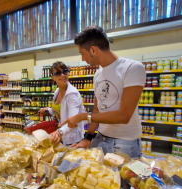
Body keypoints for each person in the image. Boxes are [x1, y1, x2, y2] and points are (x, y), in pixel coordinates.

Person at [59, 26, 146, 158]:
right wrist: (88, 137)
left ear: (93, 50)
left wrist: (83, 116)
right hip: (100, 138)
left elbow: (124, 116)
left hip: (124, 143)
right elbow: (97, 110)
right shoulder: (98, 74)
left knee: (122, 179)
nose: (82, 59)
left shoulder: (132, 68)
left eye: (82, 53)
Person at [39, 61, 85, 146]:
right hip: (60, 137)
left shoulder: (72, 95)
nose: (62, 75)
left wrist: (59, 132)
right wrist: (48, 110)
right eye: (58, 73)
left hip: (72, 140)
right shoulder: (57, 91)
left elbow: (72, 121)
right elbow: (60, 111)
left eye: (65, 71)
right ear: (53, 77)